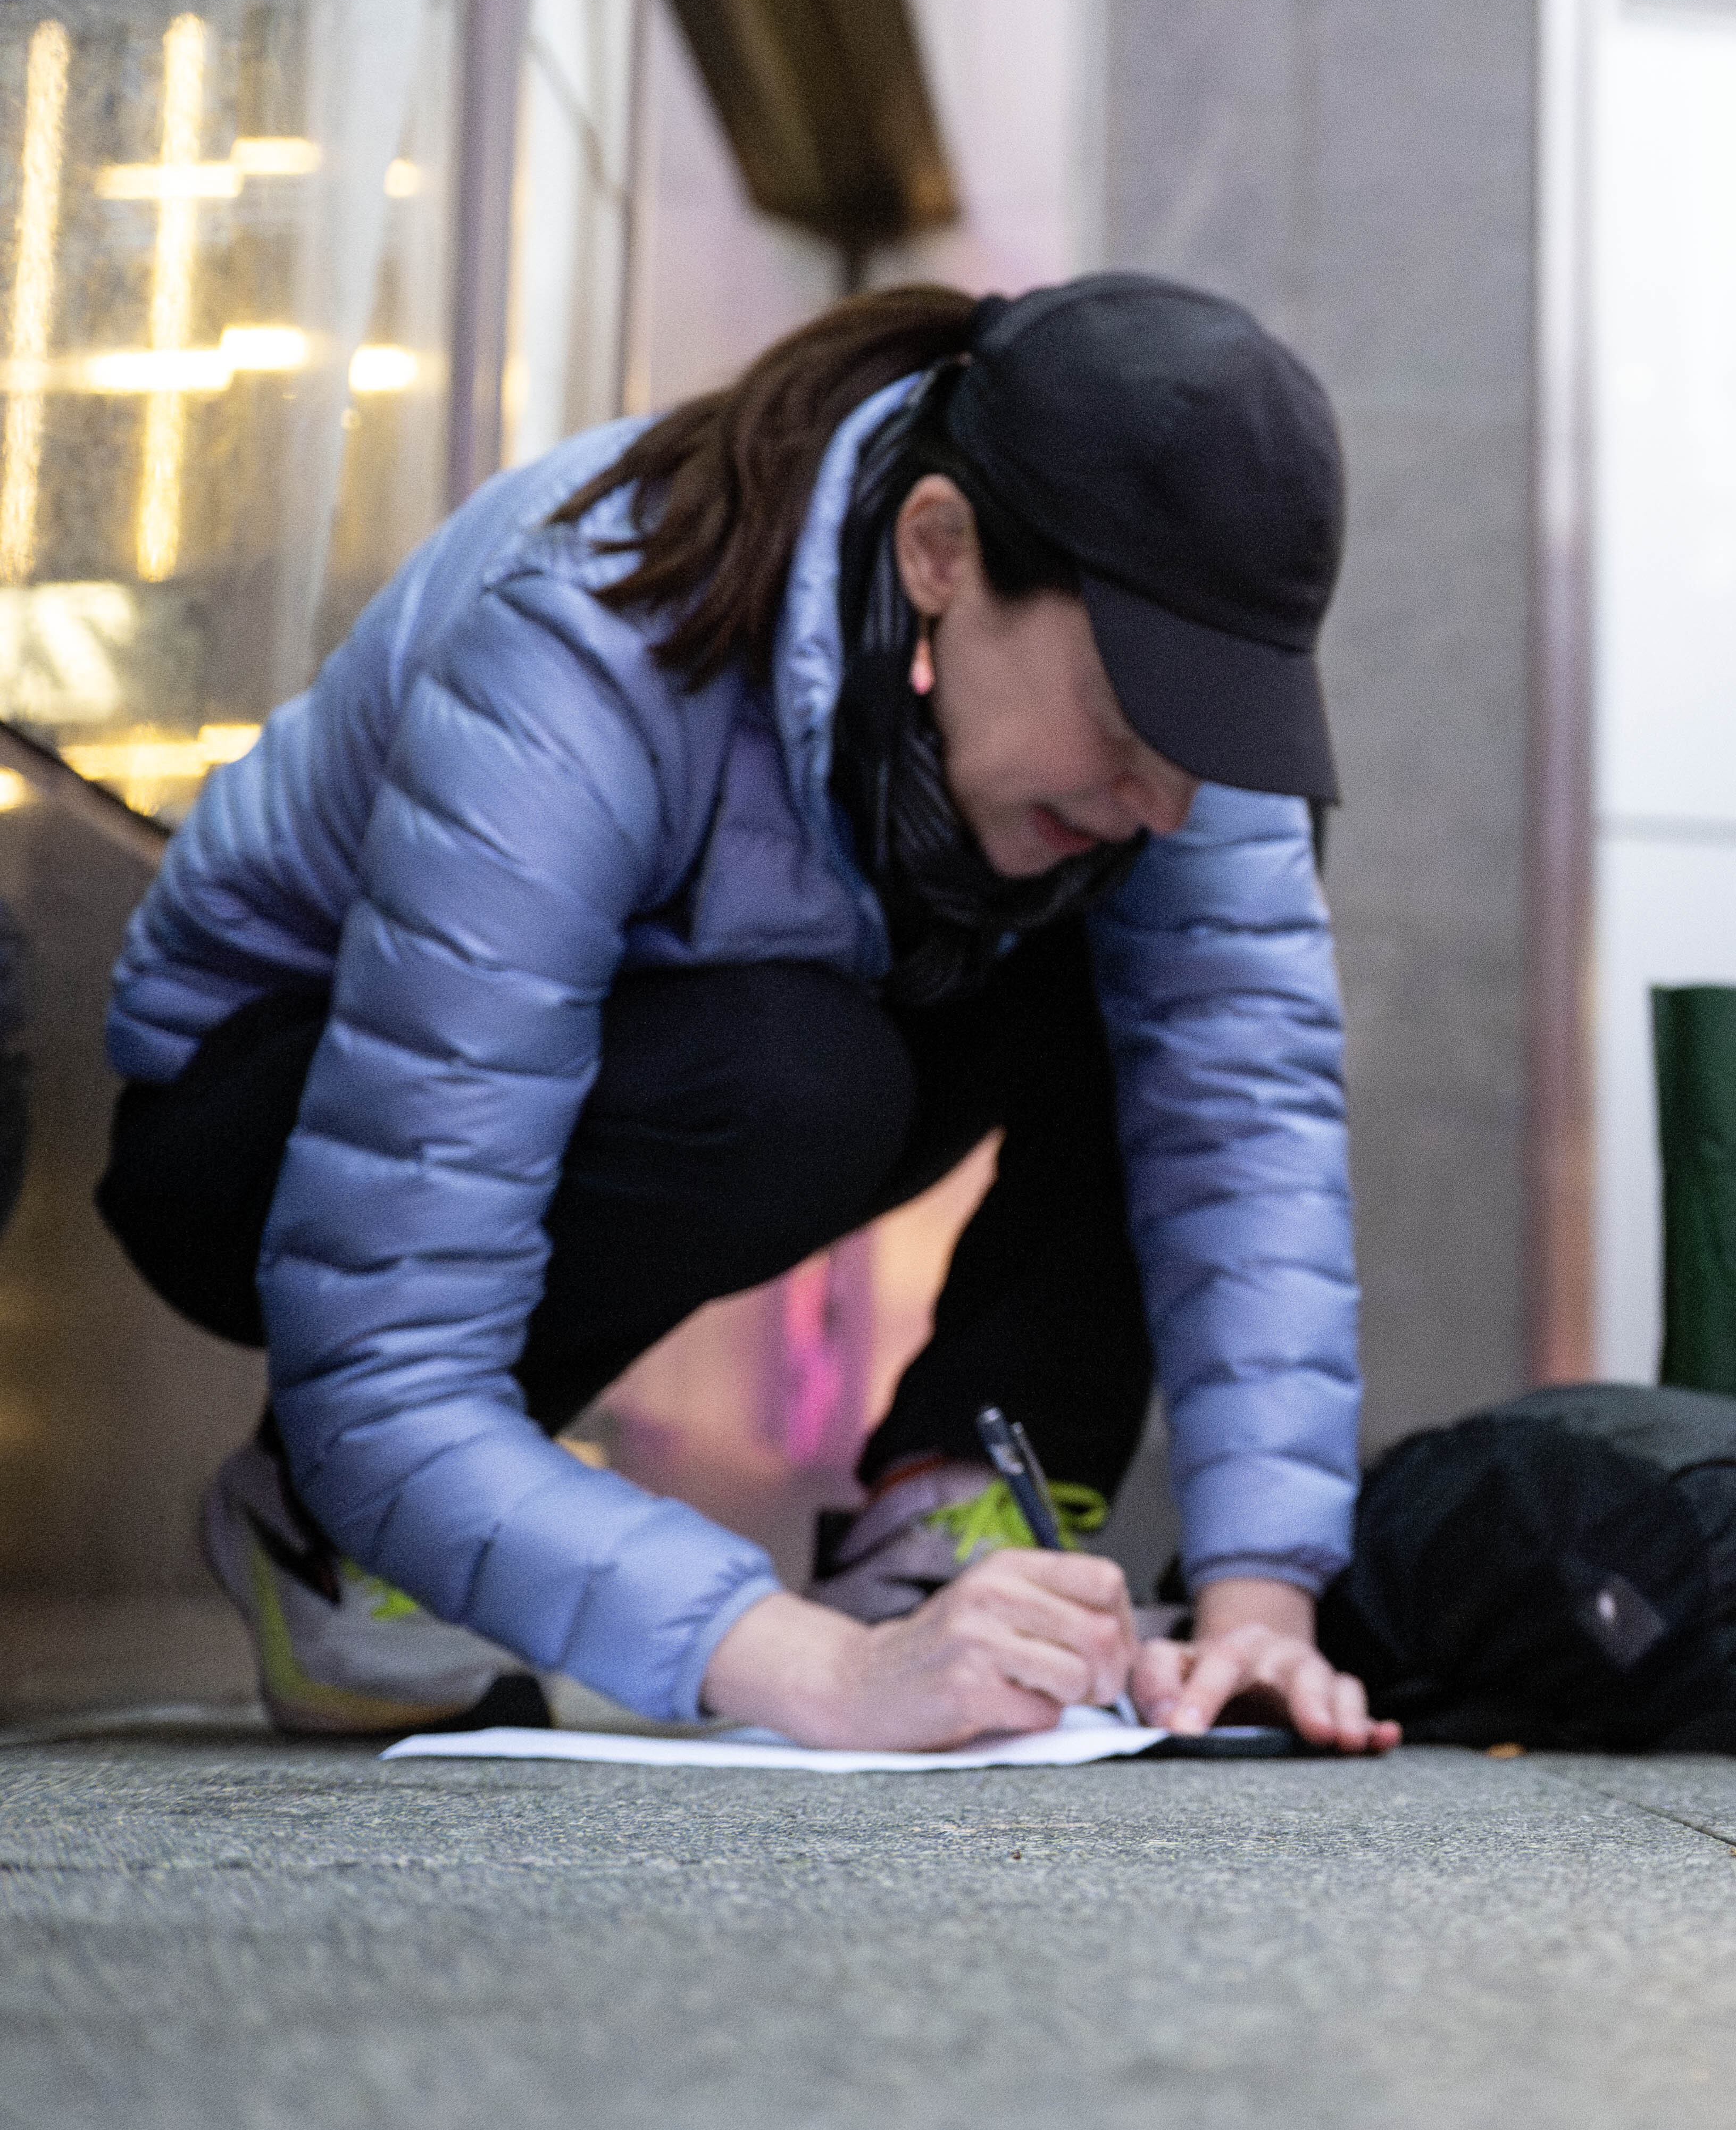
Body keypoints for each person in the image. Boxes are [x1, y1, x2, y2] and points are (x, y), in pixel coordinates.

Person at [101, 274, 1399, 1757]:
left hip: (717, 1040)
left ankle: (946, 1514)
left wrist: (1260, 1608)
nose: (1169, 789)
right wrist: (824, 1671)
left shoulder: (1161, 759)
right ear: (939, 553)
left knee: (1149, 927)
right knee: (798, 1079)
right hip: (266, 1122)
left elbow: (1241, 1110)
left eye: (1210, 733)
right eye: (1129, 716)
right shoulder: (590, 633)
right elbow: (388, 1365)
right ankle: (322, 1521)